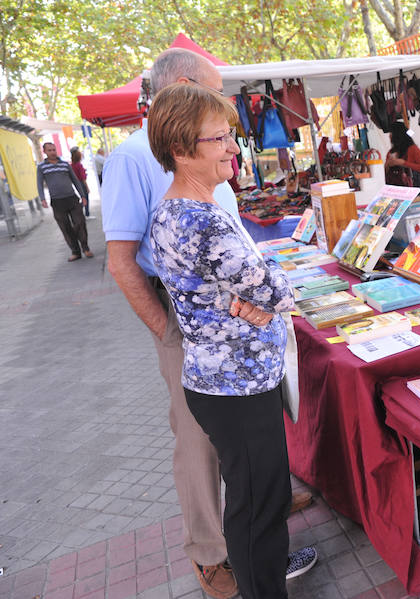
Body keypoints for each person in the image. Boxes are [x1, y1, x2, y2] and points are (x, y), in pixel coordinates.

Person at [102, 48, 314, 599]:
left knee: (253, 498)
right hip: (235, 384)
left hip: (224, 377)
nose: (233, 147)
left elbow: (253, 287)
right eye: (219, 138)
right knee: (255, 507)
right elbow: (278, 289)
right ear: (181, 148)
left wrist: (249, 299)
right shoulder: (197, 219)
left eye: (229, 135)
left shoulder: (180, 208)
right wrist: (255, 300)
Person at [36, 142, 92, 262]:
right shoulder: (41, 167)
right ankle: (75, 252)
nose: (53, 152)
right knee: (65, 227)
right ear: (44, 152)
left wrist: (83, 195)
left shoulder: (65, 165)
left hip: (72, 198)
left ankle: (85, 248)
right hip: (57, 202)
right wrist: (42, 198)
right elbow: (39, 184)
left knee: (80, 222)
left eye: (54, 149)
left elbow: (75, 180)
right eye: (50, 150)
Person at [384, 122, 420, 194]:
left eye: (391, 133)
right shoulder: (391, 152)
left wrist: (404, 163)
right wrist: (387, 165)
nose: (389, 136)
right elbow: (386, 175)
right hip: (396, 192)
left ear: (397, 135)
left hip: (413, 191)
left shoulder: (413, 149)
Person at [70, 147, 92, 218]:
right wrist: (87, 187)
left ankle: (81, 213)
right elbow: (83, 178)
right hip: (81, 183)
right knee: (85, 198)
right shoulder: (79, 165)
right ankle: (86, 214)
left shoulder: (72, 165)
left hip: (76, 183)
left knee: (82, 198)